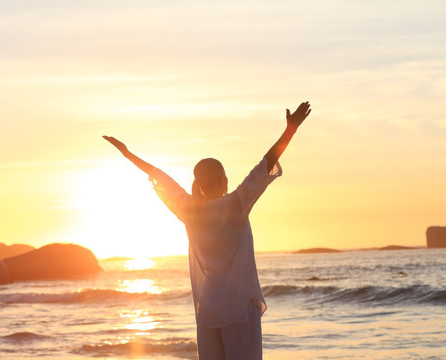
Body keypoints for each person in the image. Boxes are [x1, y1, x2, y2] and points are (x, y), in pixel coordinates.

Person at [103, 101, 311, 360]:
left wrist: (127, 154)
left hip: (208, 312)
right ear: (223, 180)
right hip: (239, 311)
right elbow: (267, 162)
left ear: (199, 185)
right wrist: (291, 129)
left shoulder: (190, 211)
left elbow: (160, 176)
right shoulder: (236, 204)